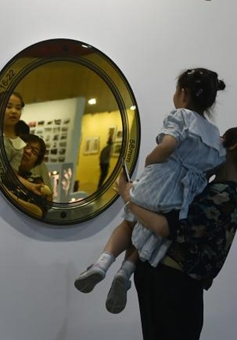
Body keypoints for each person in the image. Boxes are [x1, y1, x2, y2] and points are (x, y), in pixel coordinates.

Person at [114, 126, 237, 340]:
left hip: (172, 289)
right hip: (181, 292)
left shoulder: (223, 195)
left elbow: (168, 229)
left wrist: (129, 197)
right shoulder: (231, 194)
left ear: (231, 147)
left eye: (219, 141)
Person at [74, 68, 226, 314]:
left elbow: (168, 145)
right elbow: (214, 166)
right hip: (184, 196)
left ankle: (102, 264)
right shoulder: (213, 134)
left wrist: (150, 160)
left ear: (183, 94)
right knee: (148, 230)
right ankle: (126, 271)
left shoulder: (181, 116)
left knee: (128, 222)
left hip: (160, 181)